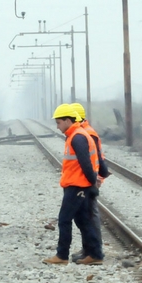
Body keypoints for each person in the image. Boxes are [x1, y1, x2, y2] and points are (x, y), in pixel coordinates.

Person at [43, 104, 104, 266]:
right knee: (84, 220)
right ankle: (95, 254)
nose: (57, 126)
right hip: (78, 185)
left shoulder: (77, 137)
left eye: (58, 123)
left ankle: (62, 255)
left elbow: (85, 163)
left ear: (67, 120)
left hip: (77, 186)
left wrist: (92, 183)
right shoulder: (76, 135)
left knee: (64, 219)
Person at [70, 102, 111, 263]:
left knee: (90, 215)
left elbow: (96, 159)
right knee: (84, 215)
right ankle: (88, 249)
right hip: (87, 179)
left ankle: (94, 252)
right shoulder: (83, 131)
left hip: (90, 179)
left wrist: (98, 179)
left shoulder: (87, 133)